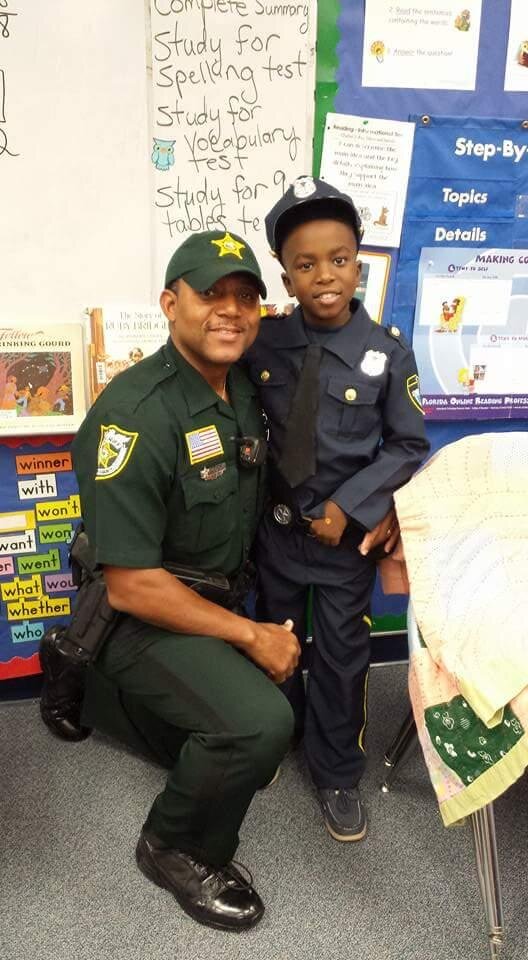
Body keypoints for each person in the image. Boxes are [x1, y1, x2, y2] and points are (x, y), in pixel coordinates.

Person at [39, 230, 300, 931]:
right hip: (136, 612)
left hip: (209, 597)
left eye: (246, 297)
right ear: (169, 303)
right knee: (259, 726)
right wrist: (251, 637)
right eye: (210, 293)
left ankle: (75, 672)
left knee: (246, 743)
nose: (231, 310)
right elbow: (132, 587)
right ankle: (175, 846)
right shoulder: (134, 415)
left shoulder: (239, 387)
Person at [245, 176, 430, 843]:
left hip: (343, 546)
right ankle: (278, 736)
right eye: (306, 264)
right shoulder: (264, 344)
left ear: (358, 265)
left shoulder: (386, 353)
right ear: (286, 278)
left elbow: (408, 443)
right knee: (277, 642)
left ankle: (337, 771)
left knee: (343, 657)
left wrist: (352, 509)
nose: (324, 275)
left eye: (339, 259)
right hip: (277, 535)